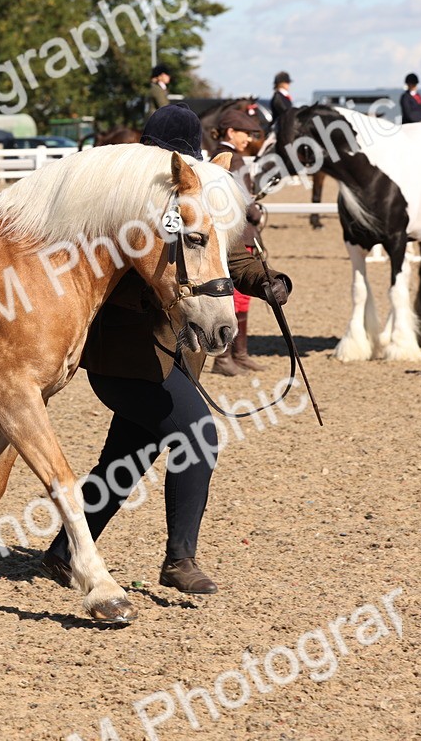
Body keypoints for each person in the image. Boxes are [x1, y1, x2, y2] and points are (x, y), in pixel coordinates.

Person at [40, 103, 293, 595]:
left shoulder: (194, 198)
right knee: (198, 436)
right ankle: (179, 560)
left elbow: (223, 256)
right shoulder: (127, 202)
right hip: (125, 356)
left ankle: (65, 551)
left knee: (127, 458)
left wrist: (267, 280)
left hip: (176, 356)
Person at [208, 107, 268, 376]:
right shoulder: (228, 160)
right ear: (231, 132)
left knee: (242, 298)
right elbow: (241, 199)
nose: (249, 139)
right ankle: (223, 358)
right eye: (245, 133)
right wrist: (256, 211)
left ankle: (239, 354)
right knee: (234, 297)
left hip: (241, 234)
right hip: (238, 236)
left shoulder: (229, 157)